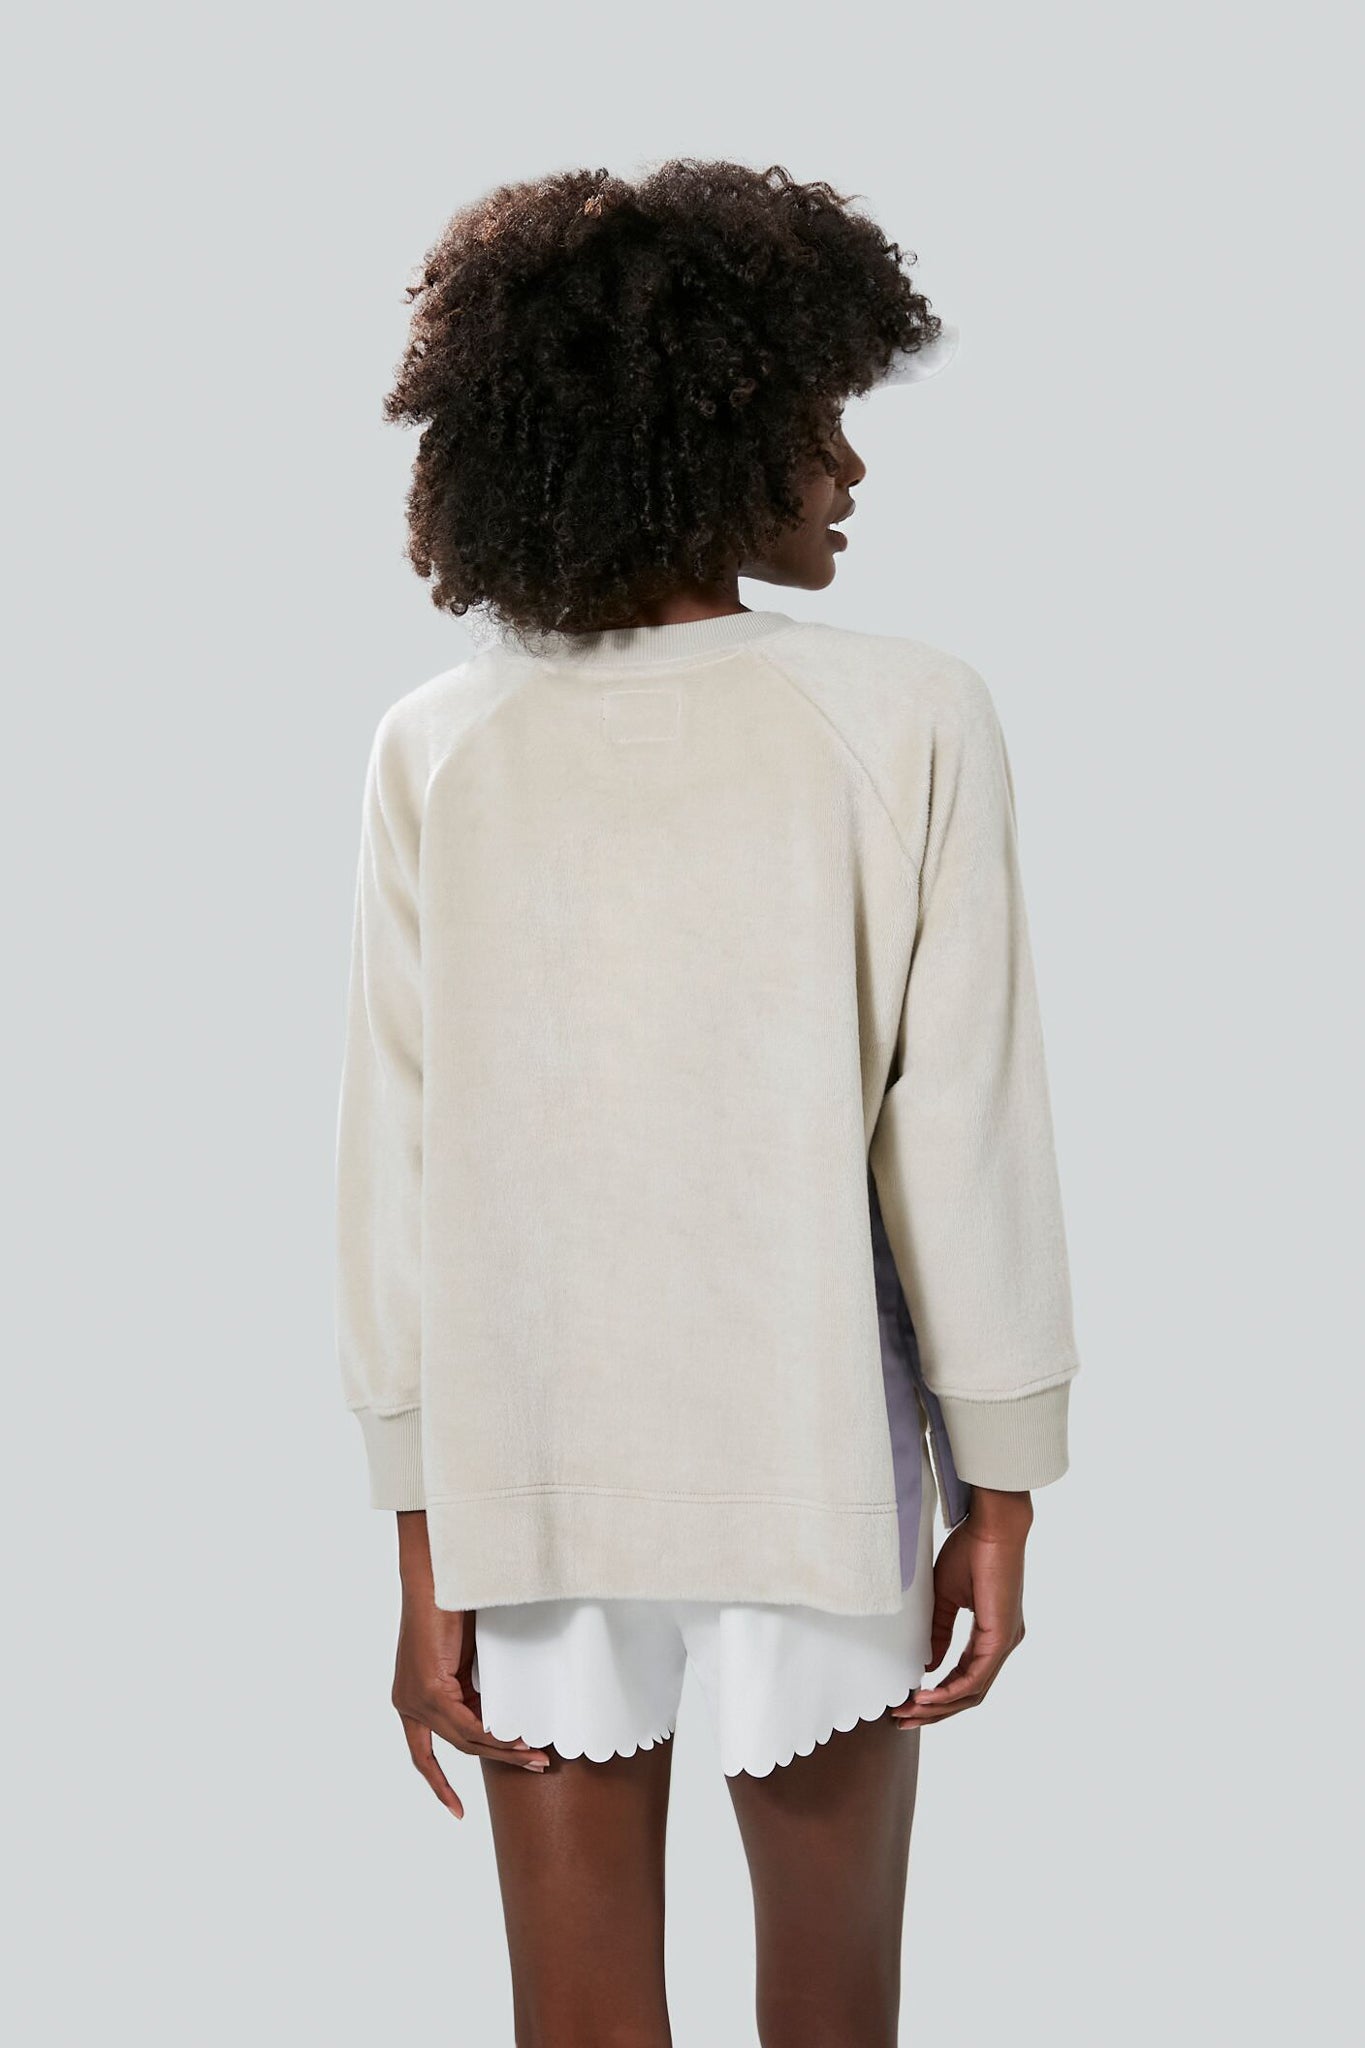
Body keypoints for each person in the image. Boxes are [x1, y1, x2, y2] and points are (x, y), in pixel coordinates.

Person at [335, 158, 1081, 2047]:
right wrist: (999, 1488)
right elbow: (961, 1131)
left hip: (529, 1482)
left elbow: (394, 1182)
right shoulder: (907, 713)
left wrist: (421, 1542)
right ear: (715, 433)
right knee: (832, 2022)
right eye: (818, 420)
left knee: (576, 2024)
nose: (850, 467)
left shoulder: (440, 742)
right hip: (816, 1468)